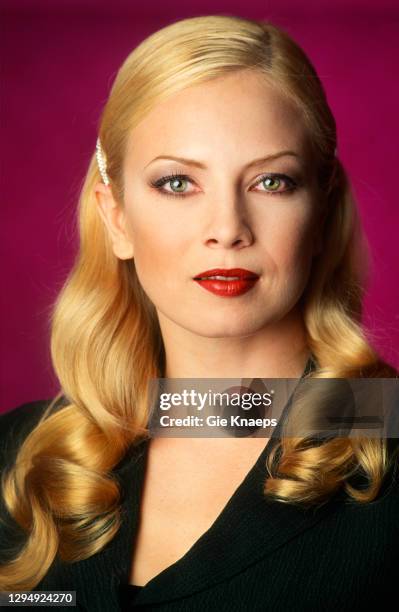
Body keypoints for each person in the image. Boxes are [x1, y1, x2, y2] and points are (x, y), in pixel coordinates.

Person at [1, 14, 398, 612]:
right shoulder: (18, 456)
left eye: (272, 181)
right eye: (178, 183)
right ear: (116, 217)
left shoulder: (386, 440)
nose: (227, 230)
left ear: (322, 210)